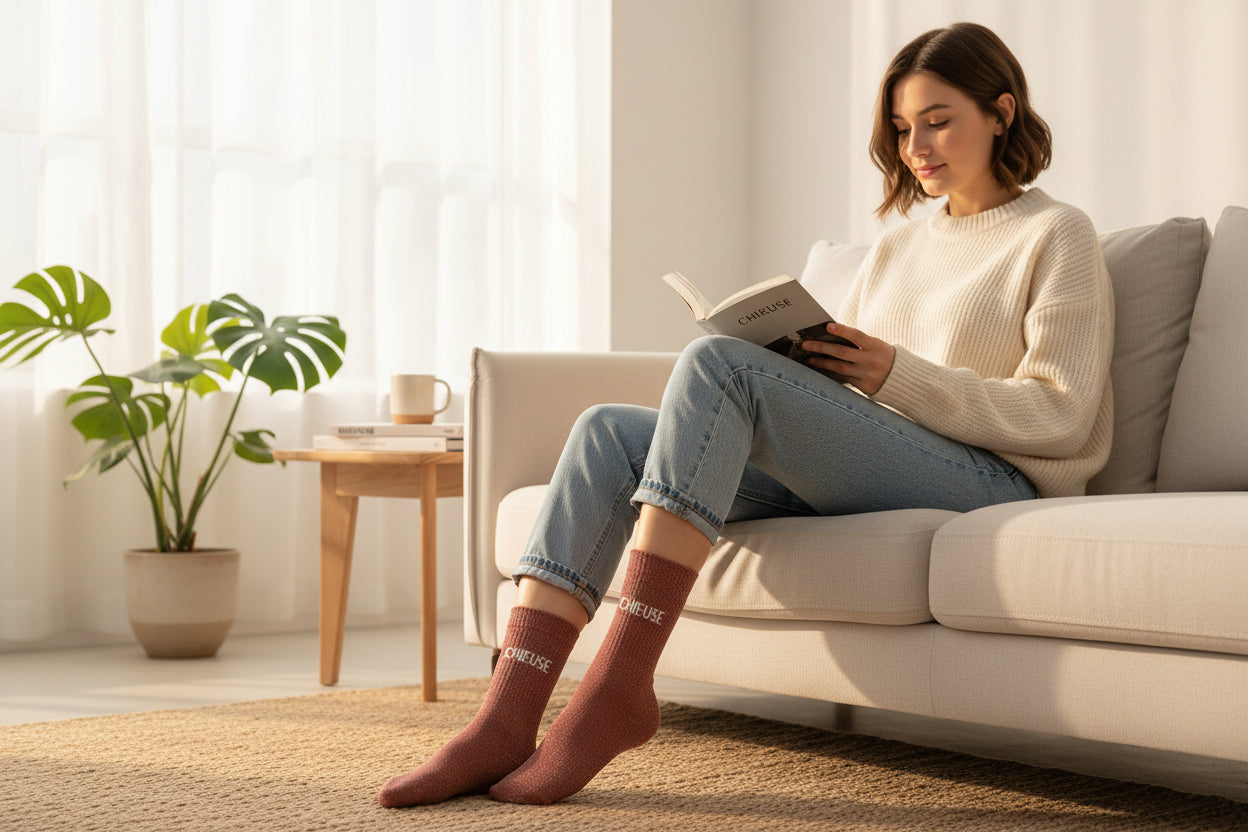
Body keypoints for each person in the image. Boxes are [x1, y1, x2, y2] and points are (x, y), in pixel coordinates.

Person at [377, 21, 1113, 808]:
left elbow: (1061, 415)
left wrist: (897, 373)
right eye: (902, 129)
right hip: (885, 462)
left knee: (715, 366)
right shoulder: (898, 247)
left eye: (938, 121)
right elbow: (861, 401)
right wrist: (816, 372)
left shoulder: (1056, 234)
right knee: (606, 434)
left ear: (1001, 112)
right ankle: (504, 717)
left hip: (990, 477)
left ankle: (619, 689)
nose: (916, 147)